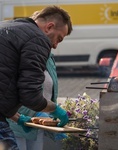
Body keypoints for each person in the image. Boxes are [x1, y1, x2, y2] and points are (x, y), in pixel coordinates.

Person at [0, 5, 72, 150]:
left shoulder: (6, 27)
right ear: (49, 27)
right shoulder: (37, 39)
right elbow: (30, 95)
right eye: (59, 38)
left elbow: (4, 86)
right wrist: (55, 109)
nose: (56, 45)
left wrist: (17, 117)